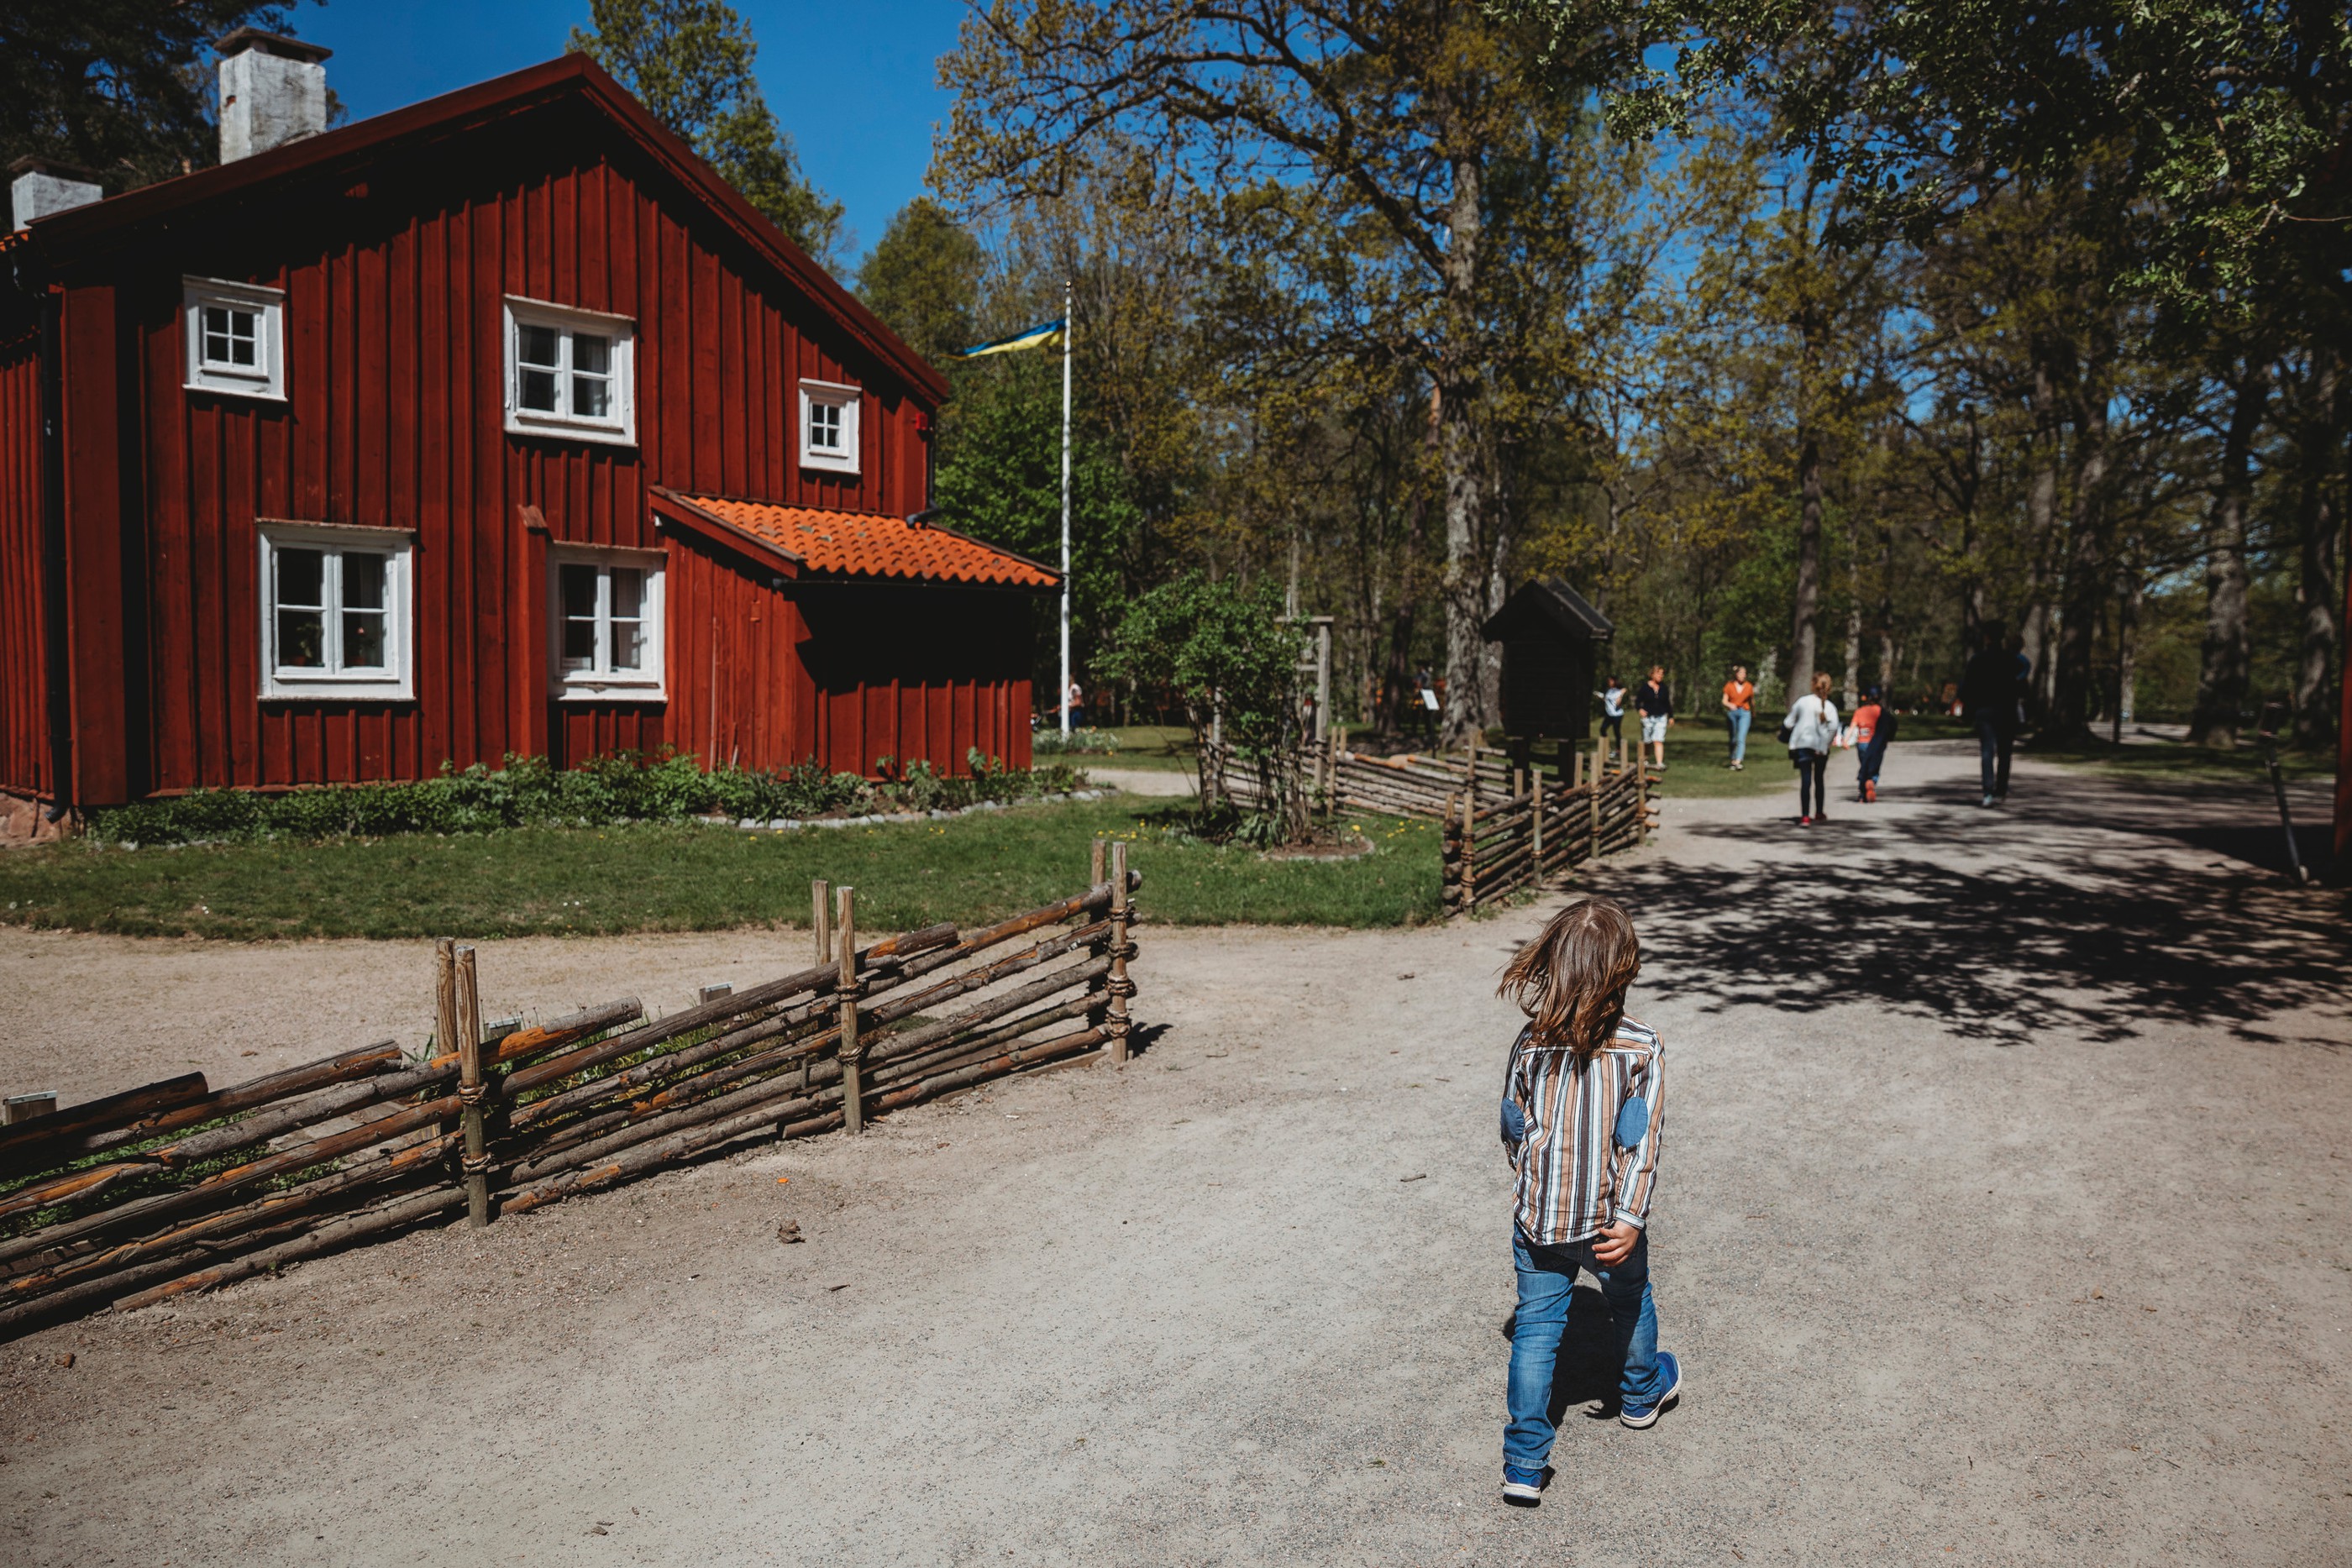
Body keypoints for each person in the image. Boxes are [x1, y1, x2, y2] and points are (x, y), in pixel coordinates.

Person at [1494, 895, 1677, 1508]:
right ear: (1625, 969)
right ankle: (1639, 1391)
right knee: (1629, 1298)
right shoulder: (1642, 1047)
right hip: (1606, 1222)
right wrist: (1629, 1217)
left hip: (1538, 1219)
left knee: (1537, 1329)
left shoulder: (1530, 1043)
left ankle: (1523, 1461)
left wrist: (1532, 1187)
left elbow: (1513, 1124)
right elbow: (1641, 1142)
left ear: (1554, 963)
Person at [1959, 623, 2020, 807]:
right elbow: (2019, 685)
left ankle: (1987, 791)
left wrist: (1969, 708)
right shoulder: (2012, 660)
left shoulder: (1978, 660)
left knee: (1987, 751)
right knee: (2005, 752)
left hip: (1985, 710)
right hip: (2006, 710)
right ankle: (2001, 790)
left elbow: (1967, 686)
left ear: (1987, 638)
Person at [1782, 672, 1840, 826]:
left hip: (1802, 745)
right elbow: (1833, 728)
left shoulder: (1802, 702)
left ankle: (1805, 816)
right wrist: (1825, 745)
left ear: (1813, 685)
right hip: (1820, 747)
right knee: (1819, 779)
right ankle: (1819, 812)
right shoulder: (1830, 707)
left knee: (1805, 780)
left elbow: (1788, 723)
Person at [1851, 685, 1895, 802]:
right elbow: (1891, 727)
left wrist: (1845, 740)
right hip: (1876, 744)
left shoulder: (1860, 711)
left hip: (1862, 743)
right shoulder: (1882, 712)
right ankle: (1872, 781)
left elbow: (1853, 727)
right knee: (1874, 766)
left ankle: (1862, 794)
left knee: (1864, 766)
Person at [1635, 667, 1672, 769]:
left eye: (1662, 674)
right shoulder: (1645, 687)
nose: (1661, 676)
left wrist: (1671, 716)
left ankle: (1659, 763)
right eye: (1658, 673)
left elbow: (1667, 703)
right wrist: (1640, 709)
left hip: (1661, 717)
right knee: (1647, 741)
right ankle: (1644, 760)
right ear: (1652, 674)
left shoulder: (1664, 688)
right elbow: (1638, 701)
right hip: (1648, 718)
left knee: (1658, 740)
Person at [1720, 665, 1755, 770]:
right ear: (1736, 674)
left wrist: (1754, 712)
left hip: (1745, 712)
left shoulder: (1749, 686)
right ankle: (1732, 759)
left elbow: (1752, 701)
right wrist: (1730, 705)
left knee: (1741, 737)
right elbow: (1724, 700)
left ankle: (1738, 761)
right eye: (1741, 673)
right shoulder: (1729, 686)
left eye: (1745, 673)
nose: (1744, 675)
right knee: (1733, 738)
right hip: (1732, 713)